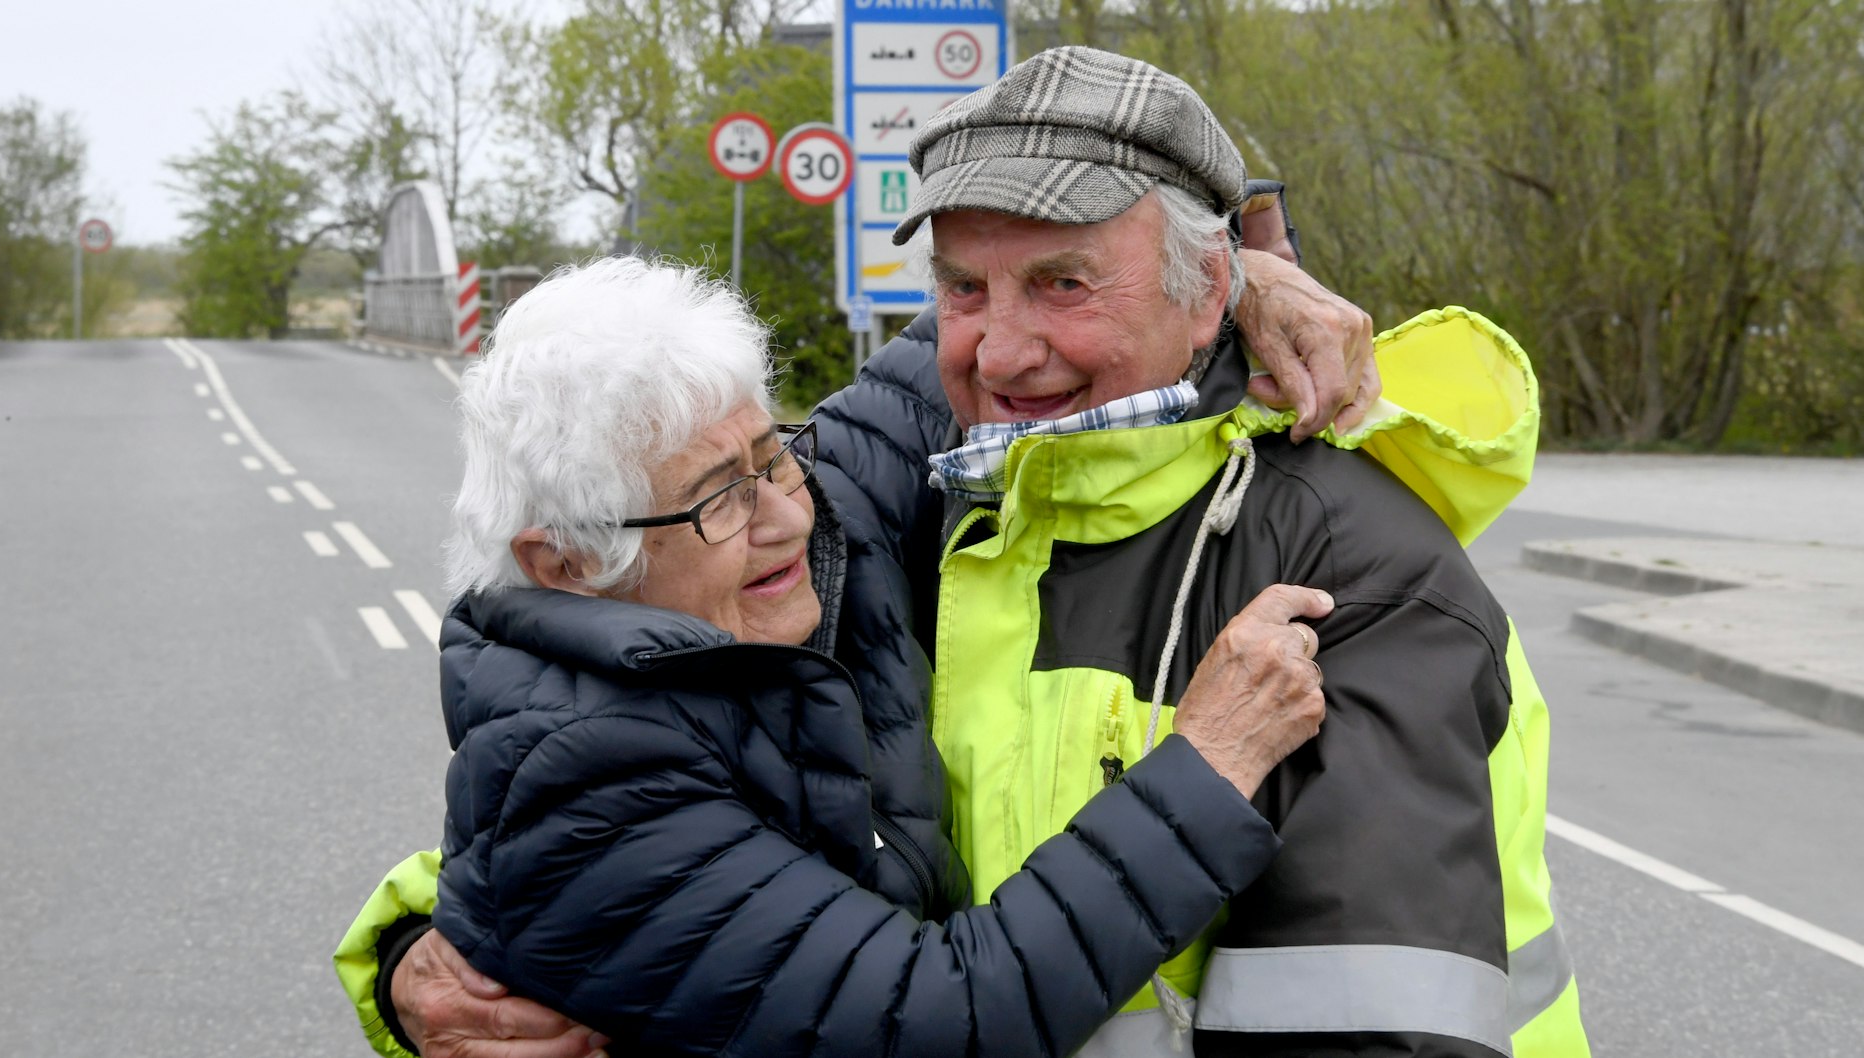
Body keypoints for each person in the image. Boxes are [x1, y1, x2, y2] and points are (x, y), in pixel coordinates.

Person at [340, 46, 1587, 1058]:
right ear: (558, 561)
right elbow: (908, 996)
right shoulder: (928, 516)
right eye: (961, 289)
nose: (995, 352)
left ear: (1199, 293)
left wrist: (1245, 268)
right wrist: (423, 951)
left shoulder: (1333, 559)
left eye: (1062, 282)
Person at [361, 254, 1331, 1057]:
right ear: (567, 560)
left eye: (770, 454)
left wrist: (1222, 267)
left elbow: (965, 339)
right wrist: (1208, 764)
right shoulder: (591, 786)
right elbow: (942, 1014)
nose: (788, 513)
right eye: (718, 497)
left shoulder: (794, 533)